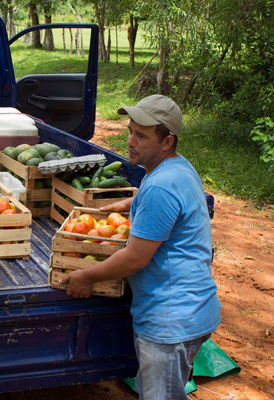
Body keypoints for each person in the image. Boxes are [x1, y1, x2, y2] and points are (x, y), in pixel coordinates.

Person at [59, 95, 222, 400]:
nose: (130, 141)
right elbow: (165, 202)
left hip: (169, 321)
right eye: (131, 130)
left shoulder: (160, 185)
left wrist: (87, 276)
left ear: (167, 141)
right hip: (192, 308)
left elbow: (134, 258)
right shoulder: (177, 169)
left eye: (142, 135)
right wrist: (128, 203)